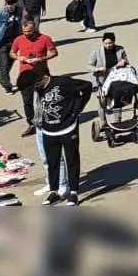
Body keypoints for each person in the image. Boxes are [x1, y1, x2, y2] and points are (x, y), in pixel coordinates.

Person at [18, 67, 94, 205]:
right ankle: (54, 192)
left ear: (38, 81)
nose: (33, 92)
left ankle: (73, 193)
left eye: (32, 88)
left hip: (68, 128)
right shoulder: (39, 89)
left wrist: (77, 109)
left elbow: (87, 86)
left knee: (72, 161)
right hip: (49, 131)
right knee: (52, 163)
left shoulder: (63, 82)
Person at [10, 18, 58, 136]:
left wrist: (41, 59)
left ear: (35, 28)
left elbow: (54, 53)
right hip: (25, 75)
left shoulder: (45, 39)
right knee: (27, 101)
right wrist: (18, 57)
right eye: (25, 31)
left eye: (29, 31)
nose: (26, 34)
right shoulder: (19, 39)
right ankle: (32, 124)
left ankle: (48, 120)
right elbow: (12, 52)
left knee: (46, 99)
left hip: (41, 74)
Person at [0, 0, 22, 94]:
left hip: (14, 42)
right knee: (4, 64)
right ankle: (7, 85)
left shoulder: (20, 11)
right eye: (8, 4)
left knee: (9, 64)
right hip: (1, 42)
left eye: (11, 5)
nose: (9, 6)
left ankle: (1, 79)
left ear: (16, 3)